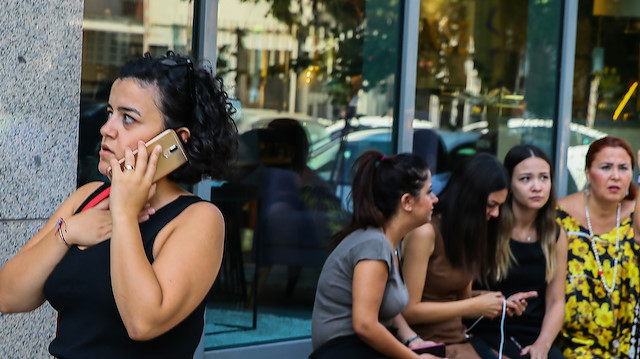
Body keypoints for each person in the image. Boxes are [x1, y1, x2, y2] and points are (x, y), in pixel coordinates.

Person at [0, 51, 238, 358]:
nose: (107, 129)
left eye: (128, 118)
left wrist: (125, 213)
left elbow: (143, 322)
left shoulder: (198, 219)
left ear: (176, 141)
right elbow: (8, 296)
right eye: (110, 112)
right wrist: (67, 232)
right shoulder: (88, 197)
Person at [310, 150, 442, 359]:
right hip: (345, 351)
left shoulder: (386, 242)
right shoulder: (374, 245)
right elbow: (364, 324)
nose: (435, 199)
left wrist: (413, 340)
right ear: (407, 201)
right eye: (429, 192)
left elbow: (384, 302)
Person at [401, 152, 511, 359]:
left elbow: (459, 299)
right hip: (427, 344)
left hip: (459, 338)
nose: (495, 213)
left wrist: (498, 303)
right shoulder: (426, 232)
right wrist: (475, 305)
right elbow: (408, 311)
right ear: (469, 198)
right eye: (491, 205)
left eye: (499, 206)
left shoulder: (470, 233)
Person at [467, 145, 567, 359]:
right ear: (509, 185)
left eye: (544, 178)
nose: (537, 187)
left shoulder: (554, 234)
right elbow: (461, 293)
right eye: (525, 179)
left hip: (533, 332)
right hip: (487, 327)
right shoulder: (490, 224)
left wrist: (543, 345)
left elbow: (556, 302)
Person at [556, 136, 640, 358]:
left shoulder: (636, 215)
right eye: (605, 167)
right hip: (571, 345)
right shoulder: (559, 217)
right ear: (586, 172)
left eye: (623, 168)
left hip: (630, 344)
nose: (615, 176)